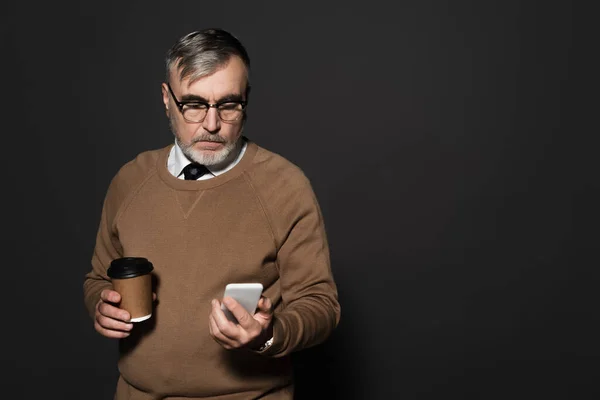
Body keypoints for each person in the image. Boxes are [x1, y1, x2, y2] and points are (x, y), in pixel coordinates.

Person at [83, 28, 341, 399]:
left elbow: (321, 305)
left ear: (246, 101)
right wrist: (101, 305)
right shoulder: (129, 180)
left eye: (228, 104)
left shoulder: (285, 185)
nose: (212, 124)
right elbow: (97, 278)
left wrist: (269, 335)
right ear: (166, 99)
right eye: (194, 104)